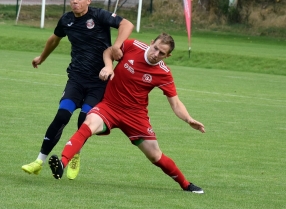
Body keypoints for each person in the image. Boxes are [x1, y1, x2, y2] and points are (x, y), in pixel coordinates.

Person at [48, 33, 206, 193]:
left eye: (161, 53)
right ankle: (62, 163)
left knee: (155, 156)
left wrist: (189, 119)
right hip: (109, 107)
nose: (155, 54)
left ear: (168, 56)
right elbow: (109, 51)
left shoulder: (163, 73)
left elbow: (176, 103)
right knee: (88, 124)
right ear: (151, 43)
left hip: (135, 116)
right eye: (155, 48)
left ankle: (186, 184)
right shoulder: (132, 46)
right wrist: (109, 66)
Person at [22, 0, 134, 180]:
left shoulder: (99, 16)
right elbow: (54, 40)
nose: (75, 1)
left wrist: (117, 45)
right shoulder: (66, 20)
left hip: (98, 82)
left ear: (88, 0)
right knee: (62, 116)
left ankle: (75, 156)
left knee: (84, 120)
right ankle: (39, 161)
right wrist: (41, 58)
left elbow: (127, 24)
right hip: (76, 79)